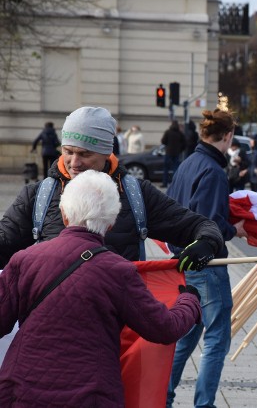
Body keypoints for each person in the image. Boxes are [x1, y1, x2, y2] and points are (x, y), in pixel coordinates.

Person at [0, 170, 202, 406]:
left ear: (64, 214)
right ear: (111, 223)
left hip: (21, 391)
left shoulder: (24, 260)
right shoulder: (119, 271)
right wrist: (189, 301)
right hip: (90, 395)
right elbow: (163, 328)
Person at [0, 106, 224, 269]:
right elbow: (4, 242)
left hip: (117, 329)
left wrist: (206, 242)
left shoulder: (137, 194)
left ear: (107, 152)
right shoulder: (37, 196)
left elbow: (200, 225)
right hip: (52, 325)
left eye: (85, 154)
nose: (75, 163)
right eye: (68, 151)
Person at [165, 109, 247, 408]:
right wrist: (233, 229)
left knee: (186, 338)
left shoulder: (188, 164)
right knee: (217, 339)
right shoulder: (212, 171)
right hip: (207, 264)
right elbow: (209, 222)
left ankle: (163, 397)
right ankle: (204, 404)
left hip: (184, 263)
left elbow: (173, 211)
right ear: (227, 137)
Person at [161, 120, 186, 187]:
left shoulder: (168, 132)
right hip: (177, 153)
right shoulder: (179, 133)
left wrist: (168, 145)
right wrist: (180, 150)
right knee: (175, 168)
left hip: (168, 152)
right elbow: (184, 143)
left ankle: (165, 183)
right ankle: (174, 184)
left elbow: (163, 141)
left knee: (166, 168)